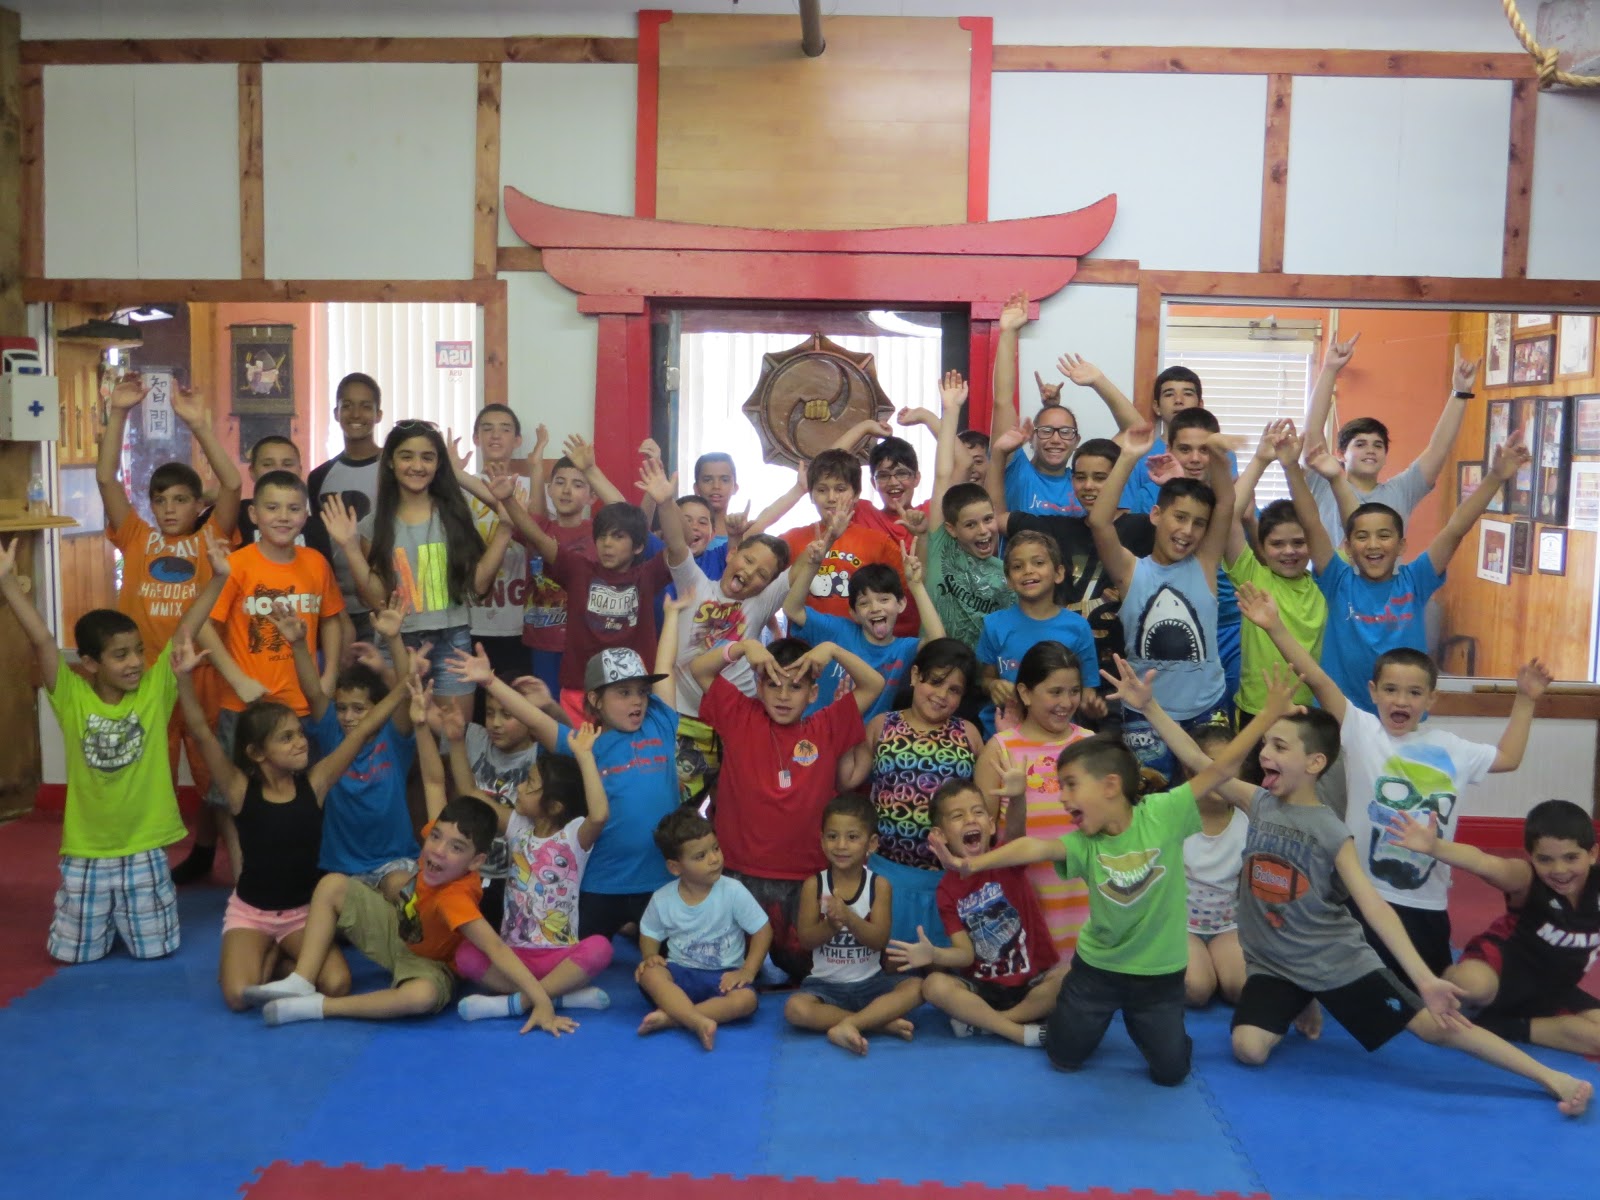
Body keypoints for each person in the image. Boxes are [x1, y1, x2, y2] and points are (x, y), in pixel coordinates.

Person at [1164, 668, 1592, 1116]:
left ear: (1314, 764)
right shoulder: (1258, 802)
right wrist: (1150, 706)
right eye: (1266, 745)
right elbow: (1197, 760)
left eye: (1280, 747)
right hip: (1276, 963)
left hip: (1334, 960)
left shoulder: (1331, 832)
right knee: (1248, 1049)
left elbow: (1374, 907)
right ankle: (1304, 998)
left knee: (1432, 1027)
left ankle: (1550, 1077)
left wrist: (1424, 979)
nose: (1265, 754)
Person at [934, 674, 1299, 1085]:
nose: (1061, 797)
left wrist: (1266, 714)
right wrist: (972, 865)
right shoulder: (1084, 842)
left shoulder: (1163, 813)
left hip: (1158, 976)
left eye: (1071, 785)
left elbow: (1219, 768)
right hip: (1097, 971)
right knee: (1063, 1056)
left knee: (1171, 1072)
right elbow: (1033, 847)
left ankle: (1161, 1034)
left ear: (1110, 786)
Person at [1237, 582, 1548, 978]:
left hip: (1426, 902)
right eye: (1391, 690)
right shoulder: (1361, 731)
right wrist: (1274, 626)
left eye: (1415, 693)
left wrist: (1525, 700)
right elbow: (1317, 678)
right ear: (1373, 692)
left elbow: (1508, 758)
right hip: (1364, 895)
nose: (1401, 700)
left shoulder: (1451, 748)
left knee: (1426, 993)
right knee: (1362, 988)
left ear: (1431, 699)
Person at [237, 717, 575, 1036]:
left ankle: (319, 1006)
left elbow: (496, 949)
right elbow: (433, 781)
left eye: (456, 848)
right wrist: (421, 724)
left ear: (476, 862)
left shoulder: (455, 896)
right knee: (332, 885)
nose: (438, 851)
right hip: (398, 930)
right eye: (436, 837)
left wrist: (541, 1001)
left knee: (422, 997)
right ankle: (302, 979)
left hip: (429, 964)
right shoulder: (439, 850)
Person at [3, 536, 225, 963]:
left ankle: (127, 921)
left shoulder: (154, 693)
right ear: (90, 663)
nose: (135, 662)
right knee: (73, 956)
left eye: (138, 651)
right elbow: (44, 642)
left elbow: (185, 629)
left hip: (144, 848)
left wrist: (217, 578)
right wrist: (8, 583)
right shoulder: (72, 698)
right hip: (88, 851)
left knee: (155, 952)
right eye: (120, 655)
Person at [173, 624, 409, 1010]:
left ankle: (279, 960)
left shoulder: (316, 783)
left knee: (337, 983)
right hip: (252, 913)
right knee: (237, 997)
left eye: (299, 734)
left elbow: (363, 731)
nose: (301, 742)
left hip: (302, 914)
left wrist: (403, 687)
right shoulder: (238, 790)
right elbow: (200, 732)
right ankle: (270, 955)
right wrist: (184, 678)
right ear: (257, 753)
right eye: (286, 738)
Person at [447, 601, 686, 945]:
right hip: (601, 882)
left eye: (641, 692)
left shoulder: (660, 722)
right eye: (623, 692)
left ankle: (634, 931)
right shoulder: (585, 744)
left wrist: (673, 614)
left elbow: (666, 667)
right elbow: (534, 719)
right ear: (596, 700)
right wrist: (490, 681)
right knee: (573, 954)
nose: (637, 701)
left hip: (660, 880)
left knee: (666, 960)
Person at [98, 372, 242, 886]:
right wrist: (118, 413)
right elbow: (107, 480)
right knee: (145, 781)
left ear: (198, 505)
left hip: (202, 680)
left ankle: (231, 871)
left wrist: (200, 425)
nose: (169, 509)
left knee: (217, 784)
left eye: (181, 499)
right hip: (147, 684)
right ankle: (143, 873)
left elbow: (233, 485)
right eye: (160, 500)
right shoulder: (136, 537)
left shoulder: (212, 539)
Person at [688, 635, 884, 981]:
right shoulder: (740, 715)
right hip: (738, 872)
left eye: (795, 687)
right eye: (773, 684)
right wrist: (743, 647)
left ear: (813, 693)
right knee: (729, 971)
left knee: (805, 971)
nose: (783, 696)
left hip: (804, 878)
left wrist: (833, 649)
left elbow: (874, 684)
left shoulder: (826, 726)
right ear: (758, 687)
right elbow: (699, 669)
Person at [1309, 439, 1529, 718]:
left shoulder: (1415, 581)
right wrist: (1305, 471)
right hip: (1338, 719)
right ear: (1349, 549)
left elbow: (1456, 529)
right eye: (1363, 538)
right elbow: (1311, 524)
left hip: (1400, 720)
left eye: (1384, 536)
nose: (1373, 545)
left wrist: (1495, 477)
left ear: (1401, 546)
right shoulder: (1338, 581)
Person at [197, 470, 347, 878]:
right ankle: (244, 879)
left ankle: (301, 878)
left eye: (293, 508)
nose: (283, 516)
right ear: (254, 514)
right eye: (272, 507)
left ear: (305, 515)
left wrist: (330, 674)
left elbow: (331, 619)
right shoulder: (237, 564)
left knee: (305, 795)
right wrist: (238, 679)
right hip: (245, 706)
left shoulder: (316, 563)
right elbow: (204, 626)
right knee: (235, 798)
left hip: (303, 704)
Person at [322, 422, 505, 724]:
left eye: (427, 457)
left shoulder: (457, 515)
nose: (417, 466)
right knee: (402, 736)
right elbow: (377, 600)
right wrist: (350, 548)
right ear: (390, 462)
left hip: (452, 640)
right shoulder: (373, 525)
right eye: (406, 456)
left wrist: (505, 526)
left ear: (438, 464)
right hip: (397, 643)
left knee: (453, 735)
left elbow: (478, 585)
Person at [1388, 798, 1600, 1056]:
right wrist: (1435, 846)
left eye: (1571, 857)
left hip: (1553, 990)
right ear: (1530, 857)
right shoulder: (1525, 878)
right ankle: (1450, 989)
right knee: (1472, 984)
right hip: (1497, 971)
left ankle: (1497, 1027)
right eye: (1545, 859)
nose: (1559, 869)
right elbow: (1483, 862)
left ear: (1592, 854)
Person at [1090, 420, 1234, 784]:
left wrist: (1217, 454)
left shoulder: (1205, 563)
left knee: (1215, 796)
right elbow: (1100, 522)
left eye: (1198, 523)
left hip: (1208, 709)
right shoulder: (1130, 572)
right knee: (1153, 798)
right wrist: (1128, 457)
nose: (1187, 531)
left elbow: (1226, 502)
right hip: (1145, 712)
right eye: (1180, 518)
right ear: (1156, 515)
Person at [455, 721, 615, 1019]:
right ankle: (557, 998)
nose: (518, 787)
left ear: (554, 806)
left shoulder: (573, 836)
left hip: (559, 956)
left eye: (529, 784)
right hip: (514, 958)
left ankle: (514, 1004)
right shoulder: (517, 826)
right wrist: (454, 740)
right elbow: (469, 792)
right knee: (465, 955)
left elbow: (600, 814)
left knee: (600, 948)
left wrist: (584, 756)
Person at [885, 779, 1061, 1048]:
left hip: (1032, 983)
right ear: (940, 835)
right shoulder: (947, 890)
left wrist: (1017, 798)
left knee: (1072, 975)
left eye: (977, 812)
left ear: (991, 825)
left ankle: (991, 1023)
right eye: (958, 816)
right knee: (934, 985)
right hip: (982, 989)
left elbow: (1017, 834)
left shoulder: (1006, 859)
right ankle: (1018, 1032)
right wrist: (934, 955)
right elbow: (964, 955)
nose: (970, 819)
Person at [271, 592, 419, 903]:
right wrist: (297, 645)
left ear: (379, 708)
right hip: (340, 869)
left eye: (358, 709)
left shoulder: (394, 735)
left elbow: (405, 689)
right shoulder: (331, 732)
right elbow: (313, 692)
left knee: (404, 898)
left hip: (392, 863)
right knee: (324, 910)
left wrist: (393, 639)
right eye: (341, 708)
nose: (348, 717)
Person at [502, 454, 670, 725]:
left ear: (638, 546)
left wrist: (665, 501)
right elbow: (539, 539)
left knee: (619, 751)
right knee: (572, 749)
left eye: (617, 537)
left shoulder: (647, 575)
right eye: (602, 537)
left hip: (630, 691)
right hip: (579, 690)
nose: (607, 544)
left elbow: (678, 546)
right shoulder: (579, 569)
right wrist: (508, 500)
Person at [997, 437, 1155, 703]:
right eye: (1080, 477)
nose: (1088, 485)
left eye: (1100, 477)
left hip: (1123, 676)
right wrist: (999, 455)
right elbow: (995, 518)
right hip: (1060, 678)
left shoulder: (1143, 528)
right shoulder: (1058, 528)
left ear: (1119, 479)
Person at [1301, 334, 1481, 547]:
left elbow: (1438, 449)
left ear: (1385, 456)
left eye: (1378, 445)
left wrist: (1460, 393)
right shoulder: (1325, 484)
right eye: (1360, 444)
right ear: (1340, 454)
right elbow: (1312, 431)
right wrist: (1329, 369)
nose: (1371, 450)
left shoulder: (1401, 491)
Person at [977, 641, 1096, 958]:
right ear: (1025, 693)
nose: (1066, 702)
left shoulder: (1091, 746)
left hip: (1089, 910)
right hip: (1023, 905)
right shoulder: (999, 750)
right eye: (1055, 692)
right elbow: (984, 840)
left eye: (1074, 691)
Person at [784, 793, 926, 1055]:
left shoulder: (879, 885)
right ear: (822, 840)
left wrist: (849, 917)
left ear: (871, 843)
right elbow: (806, 940)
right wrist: (830, 926)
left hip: (871, 983)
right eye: (832, 836)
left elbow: (879, 940)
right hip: (825, 985)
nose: (841, 845)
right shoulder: (814, 885)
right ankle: (878, 1023)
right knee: (795, 1009)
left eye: (852, 837)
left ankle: (853, 1023)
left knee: (918, 987)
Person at [865, 638, 984, 944]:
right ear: (916, 675)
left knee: (945, 963)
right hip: (888, 875)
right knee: (892, 962)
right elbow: (848, 779)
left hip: (949, 878)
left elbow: (986, 807)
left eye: (954, 690)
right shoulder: (882, 725)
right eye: (935, 682)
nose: (942, 695)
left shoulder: (968, 733)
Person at [988, 291, 1140, 518]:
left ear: (1077, 440)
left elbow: (1135, 431)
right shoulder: (1017, 470)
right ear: (1031, 438)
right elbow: (1002, 400)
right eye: (1046, 431)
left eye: (1066, 432)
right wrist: (1008, 332)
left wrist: (1098, 381)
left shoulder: (1085, 483)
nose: (1056, 439)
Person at [636, 809, 772, 1050]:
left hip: (724, 977)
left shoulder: (733, 891)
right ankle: (695, 1019)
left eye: (715, 849)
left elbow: (763, 930)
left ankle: (673, 1017)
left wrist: (747, 971)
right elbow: (649, 932)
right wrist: (650, 956)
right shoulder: (663, 898)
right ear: (675, 867)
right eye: (700, 856)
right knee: (650, 974)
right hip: (680, 974)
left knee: (746, 1000)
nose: (714, 859)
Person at [1226, 421, 1327, 723]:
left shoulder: (1325, 582)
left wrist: (1290, 466)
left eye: (1298, 542)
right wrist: (1260, 459)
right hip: (1256, 710)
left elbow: (1312, 520)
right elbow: (1227, 518)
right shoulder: (1253, 577)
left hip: (1309, 710)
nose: (1289, 551)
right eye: (1277, 544)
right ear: (1262, 545)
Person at [784, 533, 943, 722]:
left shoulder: (904, 649)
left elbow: (938, 642)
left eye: (884, 600)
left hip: (869, 736)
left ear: (901, 604)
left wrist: (916, 585)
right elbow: (792, 610)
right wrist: (813, 565)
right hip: (818, 729)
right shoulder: (837, 630)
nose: (875, 608)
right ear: (854, 613)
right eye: (864, 603)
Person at [921, 372, 1014, 650]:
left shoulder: (1005, 573)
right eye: (971, 525)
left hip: (980, 671)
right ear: (951, 529)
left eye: (988, 520)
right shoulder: (941, 546)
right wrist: (951, 411)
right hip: (935, 664)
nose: (983, 530)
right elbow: (942, 475)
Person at [976, 530, 1101, 737]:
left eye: (1038, 563)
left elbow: (1087, 689)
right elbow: (985, 679)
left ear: (1059, 573)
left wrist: (1091, 705)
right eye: (1018, 566)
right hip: (1004, 736)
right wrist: (994, 686)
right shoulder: (994, 625)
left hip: (1058, 738)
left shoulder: (1078, 627)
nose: (1028, 571)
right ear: (1009, 580)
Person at [778, 448, 907, 628]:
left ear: (856, 494)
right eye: (822, 490)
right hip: (803, 643)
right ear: (811, 495)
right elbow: (763, 592)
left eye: (840, 489)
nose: (831, 498)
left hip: (859, 643)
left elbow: (908, 589)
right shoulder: (791, 540)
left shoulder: (879, 542)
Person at [306, 372, 384, 641]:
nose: (356, 414)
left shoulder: (395, 468)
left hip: (385, 603)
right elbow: (318, 545)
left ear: (378, 415)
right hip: (335, 608)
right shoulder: (318, 477)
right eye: (347, 405)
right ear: (336, 413)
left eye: (366, 406)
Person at [1179, 725, 1249, 1007]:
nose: (1224, 775)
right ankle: (1199, 970)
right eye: (1213, 765)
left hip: (1227, 926)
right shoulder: (1174, 817)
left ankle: (1217, 967)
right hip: (1181, 926)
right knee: (1197, 990)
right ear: (1190, 771)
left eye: (1233, 765)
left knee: (1241, 988)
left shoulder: (1247, 821)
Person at [466, 404, 533, 687]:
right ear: (476, 438)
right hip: (472, 619)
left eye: (505, 429)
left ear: (517, 440)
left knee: (518, 701)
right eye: (487, 429)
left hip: (520, 621)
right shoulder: (460, 488)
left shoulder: (532, 487)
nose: (495, 435)